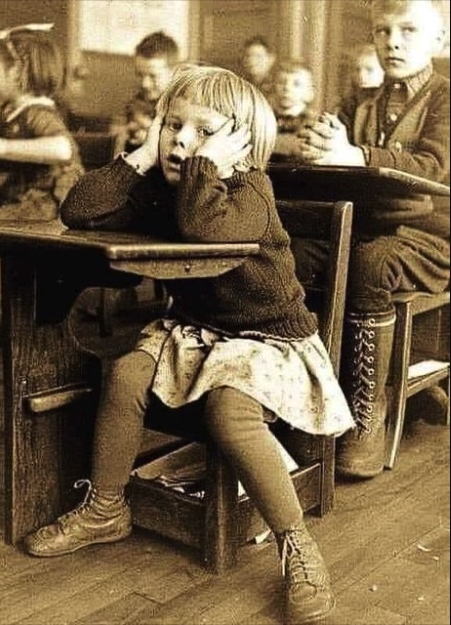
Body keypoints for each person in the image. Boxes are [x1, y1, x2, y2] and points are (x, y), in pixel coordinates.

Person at [22, 64, 354, 625]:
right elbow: (78, 210)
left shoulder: (250, 189)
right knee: (125, 371)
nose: (180, 141)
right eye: (172, 125)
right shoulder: (165, 184)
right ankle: (105, 508)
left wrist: (206, 167)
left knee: (230, 410)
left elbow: (207, 231)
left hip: (267, 339)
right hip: (200, 332)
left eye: (202, 131)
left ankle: (295, 542)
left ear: (239, 146)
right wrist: (141, 156)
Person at [297, 0, 450, 479]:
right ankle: (303, 401)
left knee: (369, 263)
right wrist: (319, 143)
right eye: (383, 31)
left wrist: (355, 155)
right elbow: (333, 150)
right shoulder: (359, 100)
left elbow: (432, 167)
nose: (393, 42)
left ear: (440, 40)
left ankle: (366, 412)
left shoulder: (446, 99)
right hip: (362, 231)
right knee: (292, 256)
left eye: (408, 30)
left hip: (429, 239)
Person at [0, 23, 84, 348]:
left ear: (20, 72)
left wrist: (0, 146)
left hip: (47, 199)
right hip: (17, 198)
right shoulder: (10, 112)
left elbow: (62, 149)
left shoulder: (39, 113)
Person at [113, 30, 180, 155]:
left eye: (153, 76)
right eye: (140, 75)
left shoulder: (183, 107)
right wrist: (124, 133)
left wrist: (152, 139)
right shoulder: (135, 102)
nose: (145, 83)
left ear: (174, 72)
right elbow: (116, 138)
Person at [270, 59, 316, 163]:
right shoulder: (264, 120)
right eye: (282, 82)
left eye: (296, 84)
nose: (287, 88)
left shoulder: (314, 123)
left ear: (310, 92)